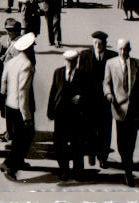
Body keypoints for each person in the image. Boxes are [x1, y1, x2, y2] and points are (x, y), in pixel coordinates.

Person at [103, 38, 139, 187]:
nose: (123, 52)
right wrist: (108, 94)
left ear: (130, 49)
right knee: (121, 142)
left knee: (130, 141)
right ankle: (127, 166)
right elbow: (106, 83)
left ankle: (128, 169)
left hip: (135, 110)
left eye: (125, 49)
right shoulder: (110, 64)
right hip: (119, 109)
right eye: (120, 49)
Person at [78, 30, 118, 167]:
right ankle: (91, 154)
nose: (97, 45)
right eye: (95, 43)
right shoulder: (84, 55)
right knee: (88, 128)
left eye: (100, 43)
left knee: (105, 129)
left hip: (105, 101)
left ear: (105, 44)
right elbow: (80, 77)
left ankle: (103, 157)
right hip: (89, 100)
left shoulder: (113, 57)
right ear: (92, 43)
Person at [0, 32, 36, 181]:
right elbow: (23, 92)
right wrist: (26, 116)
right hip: (21, 107)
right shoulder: (28, 65)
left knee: (17, 138)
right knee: (25, 138)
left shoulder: (10, 62)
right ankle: (10, 166)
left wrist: (4, 98)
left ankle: (17, 162)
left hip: (10, 105)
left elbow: (4, 83)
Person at [47, 49, 87, 179]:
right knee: (60, 144)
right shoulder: (58, 72)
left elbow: (88, 94)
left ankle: (78, 170)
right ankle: (64, 169)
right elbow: (53, 92)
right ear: (65, 61)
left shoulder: (82, 75)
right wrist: (50, 110)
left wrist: (81, 99)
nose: (70, 64)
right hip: (60, 114)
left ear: (76, 62)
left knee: (77, 143)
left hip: (76, 116)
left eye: (73, 62)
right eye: (68, 61)